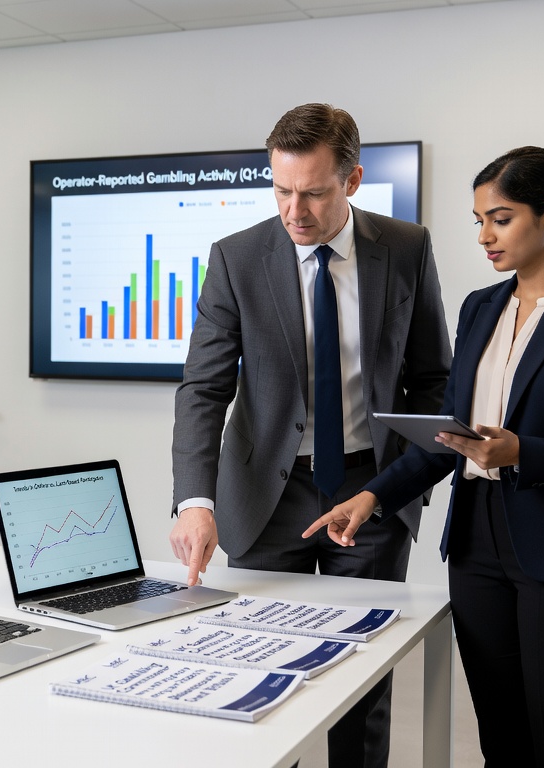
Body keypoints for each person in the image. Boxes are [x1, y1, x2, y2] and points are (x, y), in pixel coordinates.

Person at [305, 146, 544, 767]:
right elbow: (450, 439)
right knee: (501, 738)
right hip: (477, 543)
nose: (485, 235)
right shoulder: (480, 307)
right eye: (479, 219)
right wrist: (374, 495)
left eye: (501, 218)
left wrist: (523, 453)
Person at [169, 103, 451, 768]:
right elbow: (203, 389)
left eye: (315, 193)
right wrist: (195, 501)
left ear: (351, 180)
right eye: (282, 190)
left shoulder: (405, 249)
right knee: (261, 678)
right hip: (265, 496)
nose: (295, 210)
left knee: (360, 682)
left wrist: (393, 488)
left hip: (368, 491)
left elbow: (434, 379)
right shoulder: (237, 259)